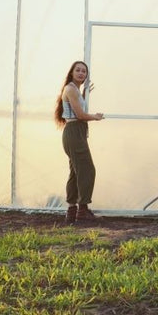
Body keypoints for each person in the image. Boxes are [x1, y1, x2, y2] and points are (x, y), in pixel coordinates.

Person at [54, 60, 105, 223]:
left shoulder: (74, 89)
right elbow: (80, 115)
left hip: (76, 133)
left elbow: (76, 109)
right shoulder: (70, 88)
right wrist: (95, 117)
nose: (81, 73)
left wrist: (82, 95)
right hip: (74, 132)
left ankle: (72, 211)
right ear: (72, 72)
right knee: (87, 170)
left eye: (84, 71)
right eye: (78, 70)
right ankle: (82, 210)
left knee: (76, 172)